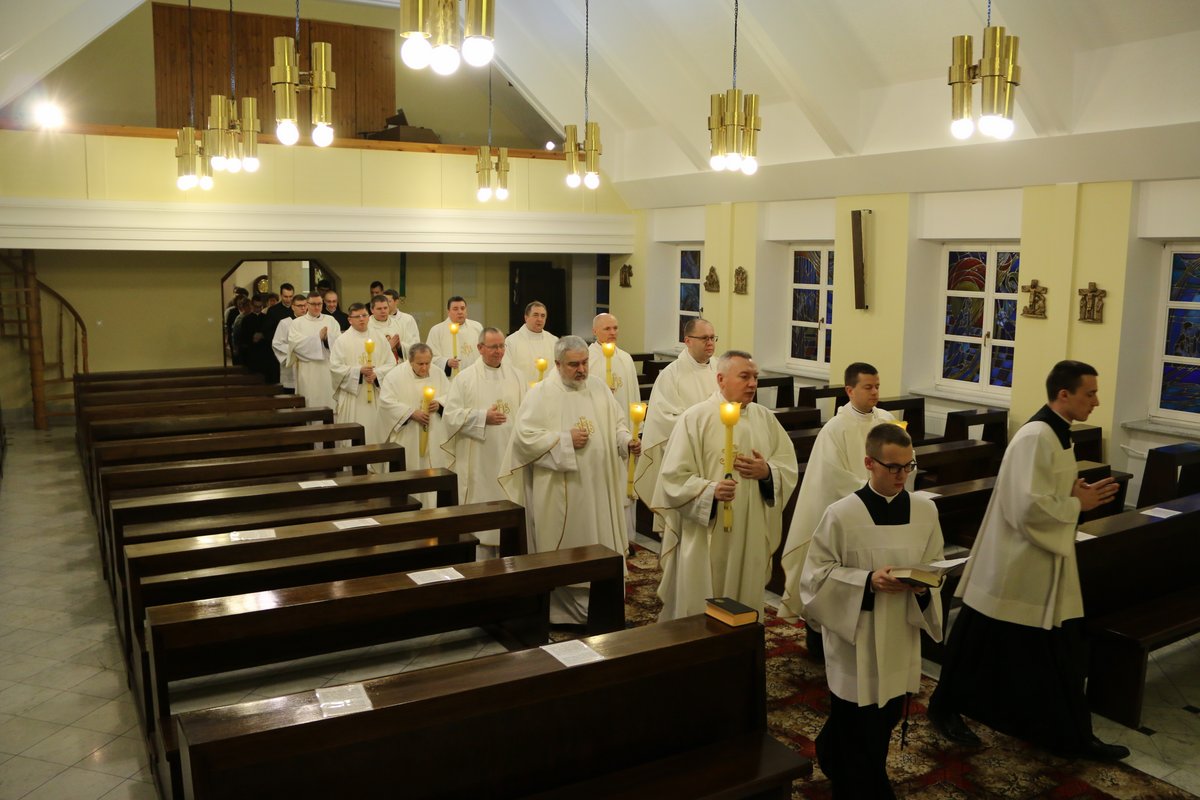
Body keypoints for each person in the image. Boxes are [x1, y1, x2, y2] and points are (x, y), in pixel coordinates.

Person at [927, 360, 1128, 762]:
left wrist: (1072, 493)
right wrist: (1077, 503)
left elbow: (1042, 491)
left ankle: (1065, 733)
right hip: (1014, 564)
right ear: (1064, 394)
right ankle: (945, 708)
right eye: (1090, 393)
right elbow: (1026, 508)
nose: (1096, 401)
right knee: (977, 641)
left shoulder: (1058, 434)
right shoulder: (1036, 436)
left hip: (1039, 562)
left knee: (1049, 651)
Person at [801, 422, 944, 799]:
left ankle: (840, 758)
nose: (902, 475)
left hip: (899, 632)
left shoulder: (925, 511)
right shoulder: (841, 514)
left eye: (908, 466)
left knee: (887, 715)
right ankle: (858, 786)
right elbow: (814, 579)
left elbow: (934, 565)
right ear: (869, 463)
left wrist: (923, 585)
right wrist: (867, 581)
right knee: (855, 720)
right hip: (857, 637)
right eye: (893, 467)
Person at [499, 335, 638, 624]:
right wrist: (564, 439)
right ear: (558, 363)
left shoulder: (598, 388)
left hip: (599, 486)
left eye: (585, 363)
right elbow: (523, 440)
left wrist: (626, 441)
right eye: (574, 365)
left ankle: (601, 607)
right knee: (567, 547)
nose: (582, 370)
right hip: (563, 490)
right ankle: (566, 613)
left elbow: (617, 423)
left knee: (601, 541)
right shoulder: (541, 394)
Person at [652, 350, 797, 620]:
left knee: (745, 601)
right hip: (706, 531)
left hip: (750, 530)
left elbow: (787, 466)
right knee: (701, 604)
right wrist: (710, 491)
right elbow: (673, 478)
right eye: (744, 377)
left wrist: (767, 472)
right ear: (721, 379)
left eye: (755, 377)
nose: (752, 384)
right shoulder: (695, 418)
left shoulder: (765, 418)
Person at [779, 362, 896, 655]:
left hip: (878, 514)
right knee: (835, 581)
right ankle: (819, 639)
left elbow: (905, 458)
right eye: (868, 387)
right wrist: (872, 491)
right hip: (846, 516)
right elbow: (832, 477)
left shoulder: (887, 422)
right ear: (850, 390)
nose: (875, 392)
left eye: (877, 386)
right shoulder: (835, 428)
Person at [441, 327, 526, 557]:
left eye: (502, 346)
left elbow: (526, 413)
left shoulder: (518, 376)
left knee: (509, 508)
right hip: (479, 458)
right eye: (493, 347)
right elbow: (450, 417)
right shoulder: (465, 379)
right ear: (480, 348)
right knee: (482, 520)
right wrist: (482, 417)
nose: (499, 351)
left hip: (509, 456)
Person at [632, 318, 719, 530]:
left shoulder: (720, 369)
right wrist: (703, 426)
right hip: (686, 457)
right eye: (704, 338)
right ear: (688, 341)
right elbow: (663, 420)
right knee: (683, 527)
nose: (710, 343)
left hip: (716, 454)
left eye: (712, 338)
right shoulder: (671, 375)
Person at [588, 313, 641, 551]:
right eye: (607, 328)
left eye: (615, 328)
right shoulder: (588, 358)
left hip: (624, 431)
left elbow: (633, 394)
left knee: (625, 485)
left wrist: (636, 429)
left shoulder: (625, 358)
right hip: (598, 433)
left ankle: (627, 540)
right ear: (595, 331)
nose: (612, 333)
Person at [378, 343, 451, 507]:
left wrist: (439, 404)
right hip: (408, 435)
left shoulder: (438, 373)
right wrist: (410, 413)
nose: (425, 368)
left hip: (434, 434)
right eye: (420, 364)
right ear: (410, 361)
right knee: (411, 472)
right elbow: (386, 403)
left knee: (434, 473)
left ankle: (433, 509)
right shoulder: (395, 376)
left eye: (428, 363)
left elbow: (450, 396)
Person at [330, 303, 397, 457]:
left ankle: (377, 465)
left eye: (364, 315)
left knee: (376, 434)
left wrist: (377, 374)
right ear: (349, 319)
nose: (362, 319)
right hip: (353, 397)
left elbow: (391, 363)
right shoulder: (342, 340)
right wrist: (358, 371)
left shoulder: (379, 337)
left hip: (376, 393)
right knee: (354, 437)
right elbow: (335, 368)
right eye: (357, 316)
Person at [287, 291, 340, 410]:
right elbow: (296, 346)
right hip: (308, 370)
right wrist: (318, 338)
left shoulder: (331, 320)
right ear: (307, 304)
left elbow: (339, 343)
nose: (317, 307)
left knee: (329, 401)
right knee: (310, 401)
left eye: (319, 304)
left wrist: (327, 339)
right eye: (313, 304)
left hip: (327, 369)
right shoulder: (297, 323)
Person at [427, 296, 483, 377]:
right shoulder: (436, 331)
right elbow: (430, 357)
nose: (460, 312)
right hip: (450, 379)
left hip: (474, 377)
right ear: (448, 312)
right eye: (455, 309)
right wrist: (447, 362)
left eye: (462, 308)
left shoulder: (477, 327)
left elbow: (484, 352)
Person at [504, 301, 559, 384]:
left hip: (547, 389)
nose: (539, 319)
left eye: (543, 316)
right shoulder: (511, 341)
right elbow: (507, 370)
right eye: (535, 315)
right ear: (526, 317)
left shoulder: (553, 341)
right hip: (521, 389)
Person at [271, 293, 307, 394]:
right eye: (299, 306)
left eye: (305, 305)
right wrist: (294, 349)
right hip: (292, 365)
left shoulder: (312, 323)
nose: (303, 308)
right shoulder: (285, 323)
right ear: (293, 307)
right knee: (291, 395)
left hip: (308, 366)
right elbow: (277, 344)